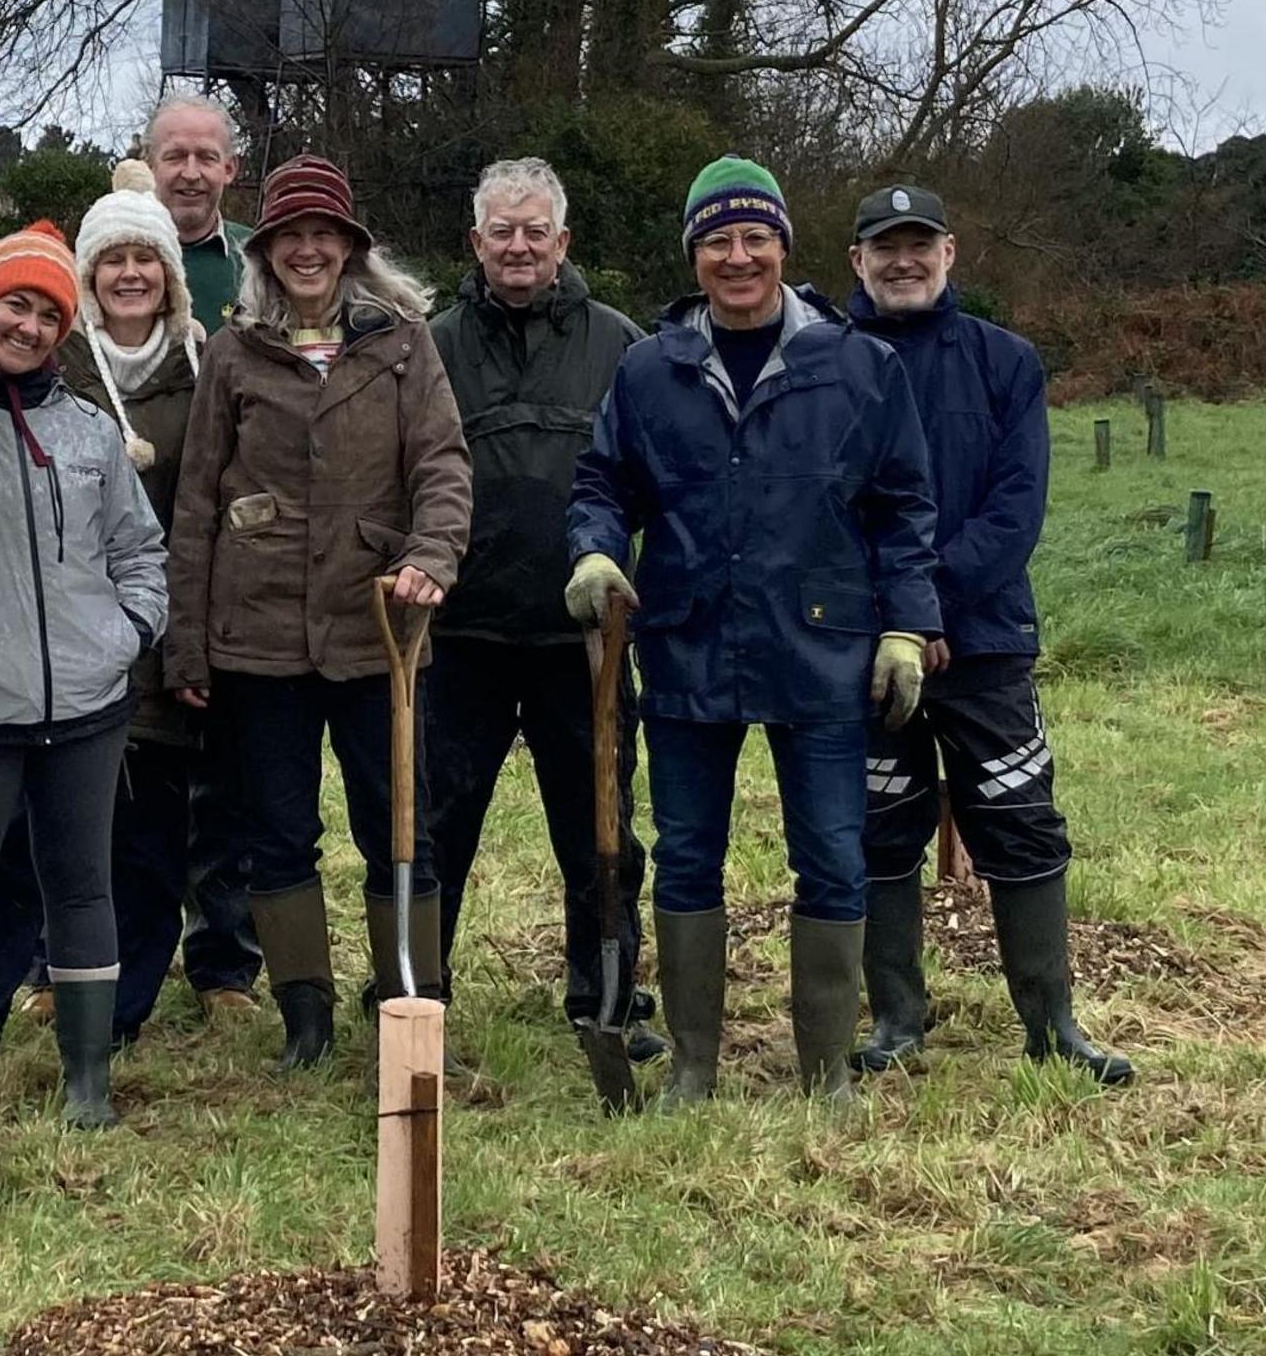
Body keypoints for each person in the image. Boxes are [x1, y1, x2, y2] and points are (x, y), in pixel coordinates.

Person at [564, 157, 939, 1104]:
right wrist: (597, 552)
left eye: (755, 237)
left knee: (833, 854)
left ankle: (825, 1073)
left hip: (822, 649)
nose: (738, 257)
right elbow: (605, 483)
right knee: (689, 852)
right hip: (689, 642)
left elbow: (903, 507)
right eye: (717, 240)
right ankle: (693, 1064)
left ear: (784, 247)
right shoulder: (651, 371)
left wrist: (906, 627)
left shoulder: (859, 366)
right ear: (694, 255)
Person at [164, 154, 471, 1070]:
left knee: (398, 821)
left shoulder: (404, 344)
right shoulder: (232, 351)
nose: (307, 249)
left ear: (349, 247)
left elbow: (444, 467)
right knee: (277, 827)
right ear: (266, 253)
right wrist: (188, 648)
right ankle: (306, 1015)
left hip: (377, 629)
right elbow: (196, 503)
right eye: (289, 235)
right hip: (256, 636)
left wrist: (429, 555)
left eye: (323, 235)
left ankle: (409, 996)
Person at [844, 184, 1133, 1084]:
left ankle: (1053, 1026)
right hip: (868, 648)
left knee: (1020, 823)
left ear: (951, 253)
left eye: (918, 244)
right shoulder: (828, 360)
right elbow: (818, 503)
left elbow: (1017, 507)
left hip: (985, 640)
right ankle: (897, 1020)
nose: (903, 261)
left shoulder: (1007, 362)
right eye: (884, 247)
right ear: (856, 261)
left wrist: (924, 603)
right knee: (878, 827)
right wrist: (892, 614)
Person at [419, 157, 658, 1060]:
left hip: (582, 638)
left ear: (562, 243)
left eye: (535, 231)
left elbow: (648, 478)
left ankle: (606, 991)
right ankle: (418, 990)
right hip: (462, 633)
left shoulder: (620, 343)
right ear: (475, 243)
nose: (518, 247)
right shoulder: (432, 344)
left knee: (598, 822)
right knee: (437, 819)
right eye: (500, 231)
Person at [0, 221, 167, 1127]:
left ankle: (87, 1082)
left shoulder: (91, 435)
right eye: (13, 305)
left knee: (83, 885)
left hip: (86, 704)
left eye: (46, 312)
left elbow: (138, 548)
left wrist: (128, 633)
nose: (28, 325)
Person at [67, 163, 241, 1040]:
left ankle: (131, 999)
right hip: (61, 629)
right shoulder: (56, 365)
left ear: (171, 277)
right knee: (63, 821)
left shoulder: (205, 371)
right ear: (88, 277)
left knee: (150, 827)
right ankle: (60, 972)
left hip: (164, 630)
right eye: (112, 261)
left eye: (147, 259)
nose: (130, 274)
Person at [144, 94, 254, 331]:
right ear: (150, 166)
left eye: (207, 158)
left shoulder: (259, 257)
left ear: (229, 169)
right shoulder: (109, 261)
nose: (191, 174)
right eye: (175, 157)